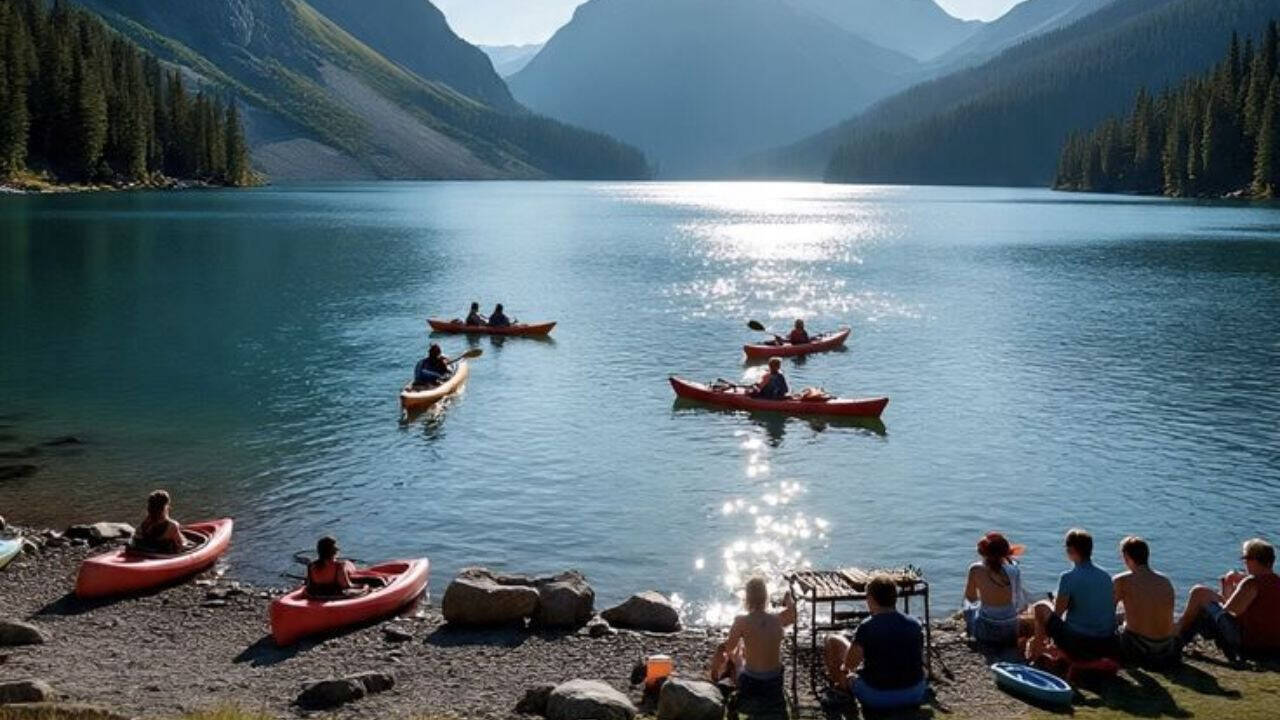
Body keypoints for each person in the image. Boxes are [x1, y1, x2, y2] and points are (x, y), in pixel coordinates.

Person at [825, 574, 927, 711]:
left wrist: (844, 668)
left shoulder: (867, 627)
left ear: (871, 599)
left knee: (833, 642)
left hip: (877, 696)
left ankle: (841, 692)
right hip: (915, 692)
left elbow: (850, 664)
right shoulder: (915, 624)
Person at [1177, 538, 1280, 662]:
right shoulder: (1275, 582)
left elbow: (1230, 611)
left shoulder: (1252, 582)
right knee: (1203, 608)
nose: (1244, 564)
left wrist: (1226, 586)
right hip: (1272, 645)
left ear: (1252, 560)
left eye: (1244, 558)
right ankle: (1180, 638)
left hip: (1249, 645)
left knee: (1199, 593)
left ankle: (1177, 641)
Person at [1028, 528, 1117, 661]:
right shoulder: (1105, 576)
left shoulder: (1068, 577)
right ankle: (1043, 648)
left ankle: (1036, 653)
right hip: (1105, 642)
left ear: (1070, 550)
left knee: (1040, 607)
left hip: (1079, 642)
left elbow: (1057, 614)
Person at [708, 576, 796, 705]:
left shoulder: (741, 621)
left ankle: (714, 677)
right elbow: (794, 613)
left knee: (730, 650)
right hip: (774, 684)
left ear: (747, 599)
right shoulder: (778, 619)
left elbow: (728, 649)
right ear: (766, 597)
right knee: (746, 650)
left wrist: (735, 654)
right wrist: (788, 598)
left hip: (750, 683)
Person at [1113, 536, 1180, 667]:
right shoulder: (1165, 581)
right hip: (1167, 647)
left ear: (1126, 557)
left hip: (1139, 647)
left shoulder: (1122, 580)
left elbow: (1107, 613)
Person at [963, 532, 1030, 647]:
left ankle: (969, 632)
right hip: (1010, 631)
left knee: (967, 605)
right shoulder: (1014, 571)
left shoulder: (975, 569)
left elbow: (971, 597)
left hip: (985, 631)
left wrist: (985, 595)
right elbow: (1021, 603)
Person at [305, 536, 386, 598]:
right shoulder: (339, 565)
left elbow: (309, 585)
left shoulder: (311, 565)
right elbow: (346, 585)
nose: (337, 549)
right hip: (334, 594)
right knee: (379, 580)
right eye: (335, 547)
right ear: (332, 551)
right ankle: (384, 591)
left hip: (316, 594)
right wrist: (363, 585)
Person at [133, 490, 184, 554]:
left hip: (146, 551)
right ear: (165, 507)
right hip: (162, 555)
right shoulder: (172, 525)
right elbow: (181, 545)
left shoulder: (142, 526)